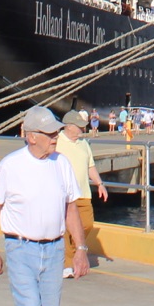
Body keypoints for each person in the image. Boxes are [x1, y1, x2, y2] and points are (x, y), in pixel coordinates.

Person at [0, 106, 88, 306]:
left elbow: (71, 209)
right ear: (31, 136)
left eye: (56, 132)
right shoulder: (11, 165)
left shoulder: (61, 163)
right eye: (50, 133)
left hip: (54, 249)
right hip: (21, 247)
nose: (55, 137)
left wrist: (80, 250)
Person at [53, 111, 107, 277]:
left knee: (87, 224)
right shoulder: (56, 142)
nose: (82, 130)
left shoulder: (84, 144)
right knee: (66, 229)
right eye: (79, 127)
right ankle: (67, 264)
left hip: (83, 193)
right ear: (69, 127)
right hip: (64, 195)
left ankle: (73, 254)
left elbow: (90, 166)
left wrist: (100, 184)